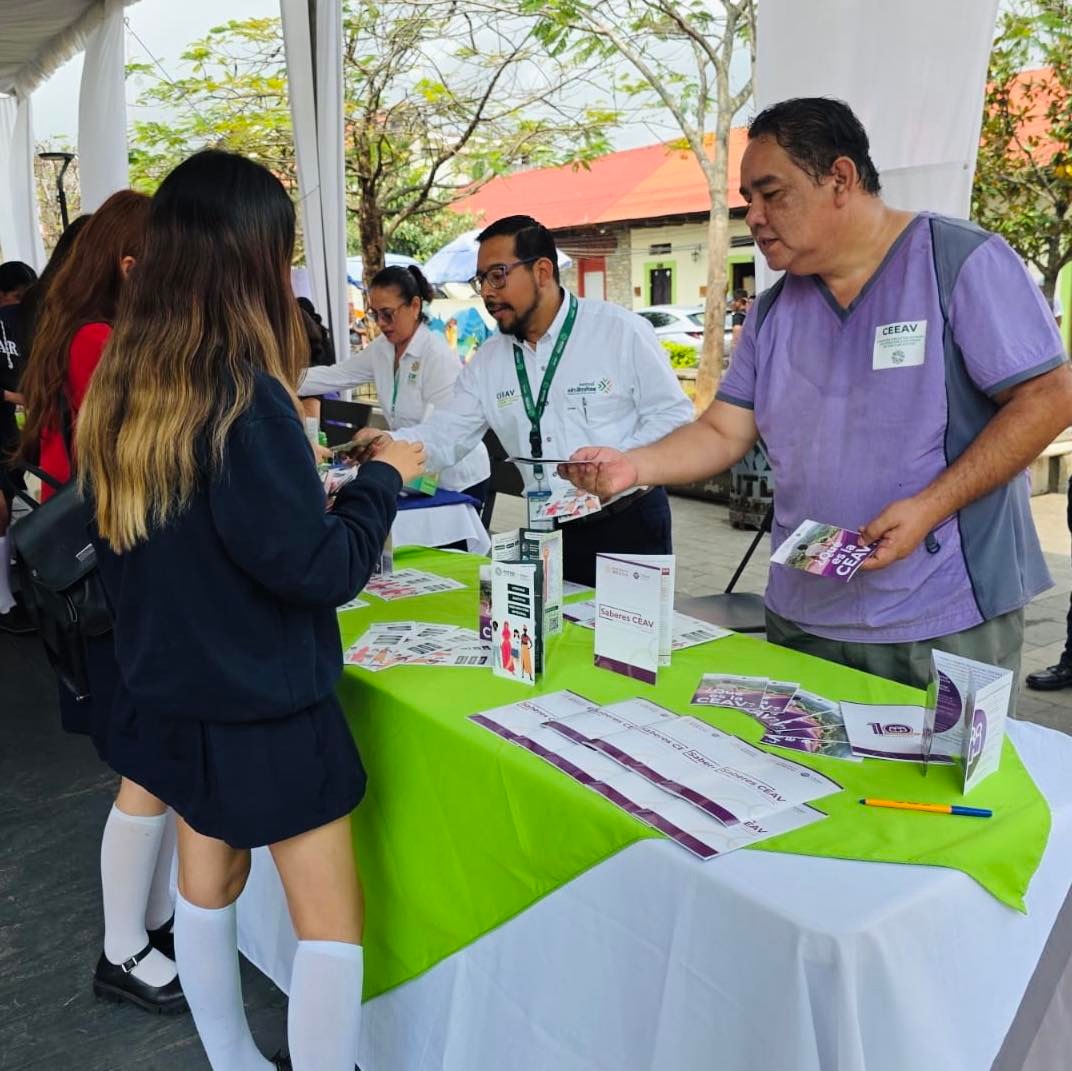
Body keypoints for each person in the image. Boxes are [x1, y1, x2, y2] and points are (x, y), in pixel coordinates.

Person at [76, 149, 425, 1071]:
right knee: (331, 929)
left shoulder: (123, 390)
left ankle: (232, 1059)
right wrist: (382, 478)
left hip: (172, 692)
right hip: (266, 705)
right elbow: (316, 568)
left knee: (206, 889)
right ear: (251, 258)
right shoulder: (244, 400)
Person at [561, 97, 1072, 689]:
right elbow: (723, 430)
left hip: (941, 613)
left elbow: (1049, 396)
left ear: (841, 178)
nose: (753, 215)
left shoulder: (956, 261)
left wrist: (930, 507)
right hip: (805, 615)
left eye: (771, 193)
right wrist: (634, 465)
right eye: (748, 198)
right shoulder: (775, 310)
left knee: (933, 782)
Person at [15, 191, 189, 1013]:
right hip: (108, 586)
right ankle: (123, 947)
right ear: (129, 263)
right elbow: (129, 460)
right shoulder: (99, 340)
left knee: (143, 761)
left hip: (90, 583)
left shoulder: (76, 330)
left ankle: (149, 924)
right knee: (147, 764)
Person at [352, 215, 694, 585]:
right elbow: (446, 433)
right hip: (547, 532)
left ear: (542, 271)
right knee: (550, 639)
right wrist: (390, 446)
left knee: (629, 643)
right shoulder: (489, 361)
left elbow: (675, 418)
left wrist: (620, 460)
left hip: (627, 525)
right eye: (481, 279)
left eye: (497, 275)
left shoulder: (619, 332)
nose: (486, 292)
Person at [298, 264, 490, 501]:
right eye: (374, 314)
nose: (381, 323)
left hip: (457, 480)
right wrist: (273, 380)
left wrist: (386, 438)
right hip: (414, 473)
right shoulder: (382, 349)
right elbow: (335, 376)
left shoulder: (436, 355)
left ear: (415, 306)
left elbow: (443, 432)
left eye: (388, 313)